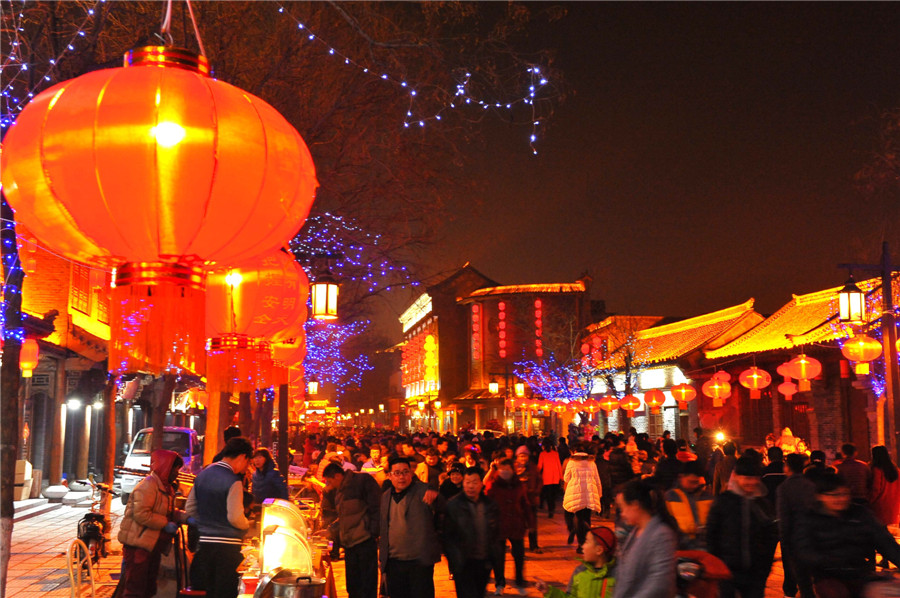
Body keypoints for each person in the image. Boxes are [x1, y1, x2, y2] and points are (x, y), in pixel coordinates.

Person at [794, 471, 900, 597]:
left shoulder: (860, 514)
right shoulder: (810, 518)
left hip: (861, 573)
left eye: (845, 494)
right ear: (820, 496)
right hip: (828, 576)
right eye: (834, 495)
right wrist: (833, 562)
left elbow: (885, 542)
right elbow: (804, 552)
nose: (841, 499)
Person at [117, 449, 190, 598]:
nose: (177, 473)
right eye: (175, 469)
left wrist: (184, 517)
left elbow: (165, 511)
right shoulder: (148, 486)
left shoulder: (165, 487)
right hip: (138, 546)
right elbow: (141, 514)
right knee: (135, 589)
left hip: (152, 545)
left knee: (149, 588)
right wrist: (165, 524)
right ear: (165, 467)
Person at [187, 437, 253, 598]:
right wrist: (248, 525)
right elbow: (235, 518)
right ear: (242, 456)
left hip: (204, 547)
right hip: (227, 551)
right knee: (225, 593)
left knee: (210, 592)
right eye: (247, 462)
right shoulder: (233, 481)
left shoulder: (202, 475)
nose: (245, 468)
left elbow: (190, 509)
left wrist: (206, 522)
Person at [706, 456, 778, 598]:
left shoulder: (762, 504)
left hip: (755, 573)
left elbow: (770, 538)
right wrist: (717, 565)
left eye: (754, 478)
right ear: (736, 476)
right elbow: (711, 535)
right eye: (746, 478)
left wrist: (765, 568)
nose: (751, 483)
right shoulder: (723, 501)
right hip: (727, 571)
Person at [379, 456, 444, 598]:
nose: (401, 477)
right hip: (394, 562)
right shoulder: (385, 497)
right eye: (397, 473)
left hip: (419, 561)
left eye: (405, 472)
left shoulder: (423, 491)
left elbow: (443, 508)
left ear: (411, 473)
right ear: (389, 476)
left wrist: (436, 495)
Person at [321, 462, 381, 598]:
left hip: (364, 541)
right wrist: (329, 531)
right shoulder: (340, 492)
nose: (328, 484)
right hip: (350, 543)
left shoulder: (362, 481)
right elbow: (344, 517)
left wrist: (373, 533)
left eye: (329, 481)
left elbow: (377, 508)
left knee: (366, 585)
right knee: (353, 585)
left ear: (337, 476)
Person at [614, 478, 678, 597]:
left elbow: (660, 583)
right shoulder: (635, 532)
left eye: (622, 508)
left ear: (635, 505)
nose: (622, 514)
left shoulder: (661, 534)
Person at [443, 467, 501, 598]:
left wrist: (494, 558)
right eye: (467, 482)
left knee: (479, 593)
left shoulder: (490, 505)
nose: (470, 486)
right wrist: (455, 562)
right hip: (463, 563)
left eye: (474, 482)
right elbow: (447, 537)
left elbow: (495, 534)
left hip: (483, 562)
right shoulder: (453, 505)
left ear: (481, 483)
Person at [485, 458, 533, 595]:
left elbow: (525, 504)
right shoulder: (492, 485)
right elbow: (487, 504)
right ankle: (500, 583)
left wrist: (530, 523)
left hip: (516, 525)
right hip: (498, 526)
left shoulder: (519, 485)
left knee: (519, 556)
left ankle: (519, 581)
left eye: (507, 469)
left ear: (512, 470)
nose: (505, 472)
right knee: (498, 557)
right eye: (502, 469)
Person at [536, 526, 617, 598]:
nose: (583, 546)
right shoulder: (580, 572)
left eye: (587, 542)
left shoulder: (617, 576)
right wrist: (549, 592)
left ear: (599, 550)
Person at [776, 453, 816, 598]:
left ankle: (790, 592)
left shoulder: (784, 487)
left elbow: (784, 516)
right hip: (811, 535)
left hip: (794, 537)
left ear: (787, 467)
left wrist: (784, 538)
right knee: (808, 581)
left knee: (799, 576)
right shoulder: (810, 485)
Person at [664, 459, 714, 550]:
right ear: (681, 477)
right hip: (679, 550)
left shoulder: (707, 497)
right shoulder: (670, 497)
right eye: (691, 482)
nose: (695, 486)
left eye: (697, 482)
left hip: (704, 550)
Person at [562, 451, 603, 553]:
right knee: (586, 517)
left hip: (576, 491)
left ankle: (580, 542)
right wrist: (599, 494)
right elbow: (597, 479)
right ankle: (586, 541)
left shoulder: (571, 462)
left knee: (578, 517)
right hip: (590, 492)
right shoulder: (592, 463)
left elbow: (566, 478)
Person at [515, 445, 543, 552]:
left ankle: (534, 545)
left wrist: (536, 491)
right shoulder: (514, 467)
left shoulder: (533, 467)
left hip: (531, 500)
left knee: (532, 523)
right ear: (517, 457)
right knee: (518, 525)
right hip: (518, 500)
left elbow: (539, 481)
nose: (523, 458)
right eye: (521, 456)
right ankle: (518, 546)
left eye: (525, 456)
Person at [869, 444, 900, 526]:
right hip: (894, 507)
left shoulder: (877, 470)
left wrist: (869, 501)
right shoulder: (896, 471)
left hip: (880, 507)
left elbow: (876, 489)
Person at [538, 437, 564, 518]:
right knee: (553, 495)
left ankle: (550, 510)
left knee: (548, 495)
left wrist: (536, 474)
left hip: (546, 478)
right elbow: (559, 465)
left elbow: (539, 466)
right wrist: (561, 477)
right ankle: (552, 507)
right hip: (555, 477)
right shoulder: (555, 454)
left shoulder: (542, 454)